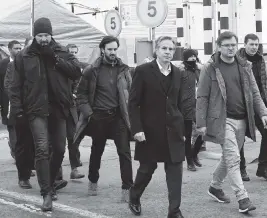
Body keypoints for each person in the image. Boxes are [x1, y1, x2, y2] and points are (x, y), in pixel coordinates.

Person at [9, 17, 81, 212]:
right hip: (36, 109)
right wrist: (18, 110)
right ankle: (46, 193)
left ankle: (49, 181)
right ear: (35, 35)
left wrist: (55, 60)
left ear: (51, 35)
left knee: (59, 148)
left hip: (58, 108)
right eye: (40, 35)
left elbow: (76, 72)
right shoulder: (23, 56)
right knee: (41, 148)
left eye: (46, 35)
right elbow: (14, 86)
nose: (43, 39)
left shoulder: (62, 52)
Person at [196, 31, 267, 214]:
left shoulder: (244, 65)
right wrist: (201, 122)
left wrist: (263, 113)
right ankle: (242, 198)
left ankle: (214, 186)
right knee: (234, 158)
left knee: (229, 158)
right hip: (222, 119)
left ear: (237, 47)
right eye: (226, 45)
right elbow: (202, 97)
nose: (230, 48)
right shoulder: (210, 67)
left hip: (243, 119)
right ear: (219, 47)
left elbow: (255, 91)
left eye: (233, 45)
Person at [128, 36, 185, 218]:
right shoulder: (143, 71)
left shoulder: (178, 73)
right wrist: (136, 129)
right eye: (164, 48)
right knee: (147, 169)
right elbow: (133, 103)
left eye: (171, 49)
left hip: (173, 130)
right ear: (157, 50)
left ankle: (174, 211)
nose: (168, 52)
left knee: (175, 171)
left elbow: (179, 104)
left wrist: (183, 130)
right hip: (150, 131)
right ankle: (134, 196)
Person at [74, 36, 133, 202]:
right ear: (102, 50)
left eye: (115, 49)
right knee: (96, 151)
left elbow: (132, 92)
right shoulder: (91, 70)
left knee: (124, 152)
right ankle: (93, 181)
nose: (113, 52)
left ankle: (127, 189)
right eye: (110, 49)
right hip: (98, 117)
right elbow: (81, 95)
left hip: (118, 117)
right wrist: (89, 114)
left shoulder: (124, 70)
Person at [4, 38, 36, 189]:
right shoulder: (13, 65)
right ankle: (24, 176)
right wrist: (18, 109)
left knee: (45, 144)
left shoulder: (43, 63)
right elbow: (9, 87)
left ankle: (53, 178)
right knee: (23, 144)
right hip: (22, 110)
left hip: (40, 109)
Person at [236, 33, 267, 181]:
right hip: (241, 104)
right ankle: (242, 168)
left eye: (256, 44)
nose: (254, 47)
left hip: (258, 102)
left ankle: (262, 167)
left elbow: (263, 84)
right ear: (245, 44)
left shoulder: (261, 60)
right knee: (240, 137)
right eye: (251, 44)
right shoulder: (237, 59)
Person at [178, 49, 203, 171]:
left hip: (199, 106)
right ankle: (189, 161)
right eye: (191, 56)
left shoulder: (199, 70)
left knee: (203, 132)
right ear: (185, 58)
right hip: (186, 106)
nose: (193, 58)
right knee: (187, 136)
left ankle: (194, 154)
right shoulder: (181, 71)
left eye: (195, 56)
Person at [0, 40, 21, 158]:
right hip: (7, 102)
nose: (18, 51)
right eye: (16, 48)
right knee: (12, 128)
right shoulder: (3, 64)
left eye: (19, 48)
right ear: (9, 49)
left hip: (20, 102)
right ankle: (16, 154)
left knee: (21, 130)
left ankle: (18, 151)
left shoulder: (24, 62)